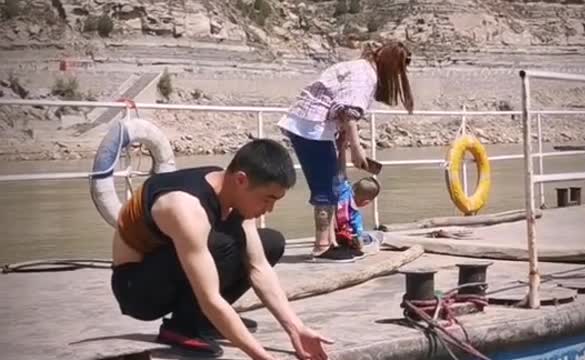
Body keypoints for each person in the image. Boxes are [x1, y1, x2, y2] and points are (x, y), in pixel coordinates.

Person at [110, 138, 333, 359]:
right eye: (267, 199)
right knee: (223, 244)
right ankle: (181, 327)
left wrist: (296, 328)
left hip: (170, 268)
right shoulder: (185, 207)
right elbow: (210, 297)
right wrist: (261, 356)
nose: (270, 209)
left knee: (270, 243)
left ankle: (205, 320)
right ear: (241, 180)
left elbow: (258, 266)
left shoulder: (231, 190)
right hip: (137, 290)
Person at [277, 41, 414, 262]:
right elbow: (349, 113)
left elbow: (340, 109)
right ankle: (322, 247)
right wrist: (357, 150)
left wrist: (342, 143)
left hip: (311, 125)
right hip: (312, 126)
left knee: (331, 183)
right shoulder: (365, 74)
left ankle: (329, 242)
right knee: (326, 186)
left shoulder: (360, 68)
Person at [334, 131, 382, 254]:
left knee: (339, 169)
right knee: (365, 237)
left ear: (353, 185)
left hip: (331, 225)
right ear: (366, 202)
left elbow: (341, 168)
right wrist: (360, 244)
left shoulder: (342, 188)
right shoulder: (355, 215)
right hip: (343, 234)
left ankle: (340, 144)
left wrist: (342, 148)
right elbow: (358, 232)